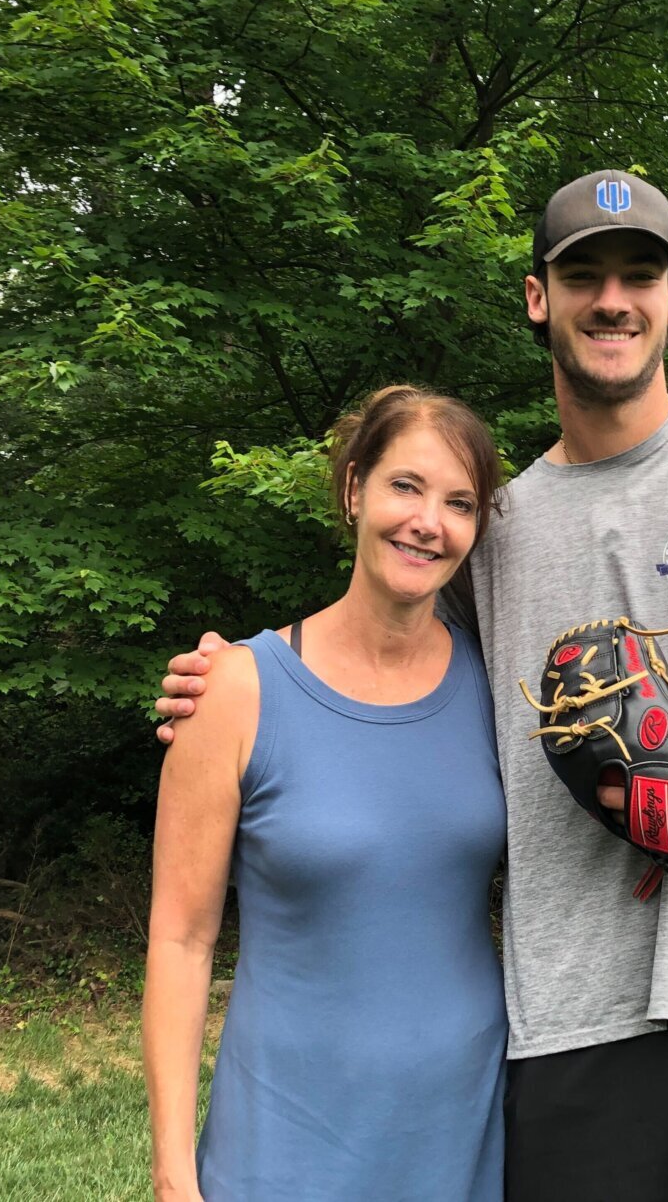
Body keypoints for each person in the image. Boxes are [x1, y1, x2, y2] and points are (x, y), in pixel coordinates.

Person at [157, 171, 668, 1202]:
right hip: (577, 1018)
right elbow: (386, 668)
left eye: (638, 274)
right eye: (584, 276)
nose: (612, 298)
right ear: (539, 298)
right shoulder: (491, 537)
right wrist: (237, 681)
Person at [142, 385, 508, 1202]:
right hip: (288, 1135)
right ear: (354, 491)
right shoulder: (236, 689)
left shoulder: (496, 688)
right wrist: (174, 1176)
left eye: (458, 502)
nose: (428, 522)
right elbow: (180, 939)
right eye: (405, 487)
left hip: (468, 1131)